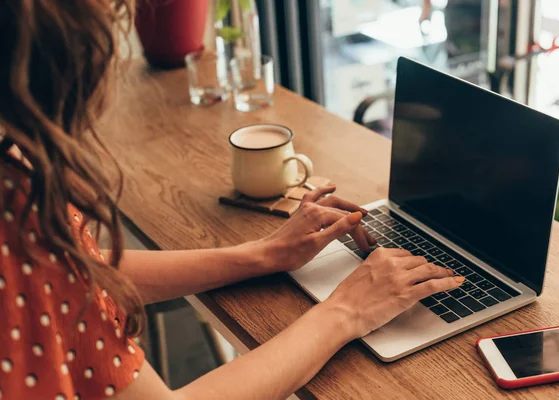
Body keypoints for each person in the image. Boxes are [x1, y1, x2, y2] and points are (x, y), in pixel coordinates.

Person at [0, 1, 464, 399]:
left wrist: (261, 255)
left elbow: (85, 271)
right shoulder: (16, 216)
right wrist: (346, 312)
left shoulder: (18, 194)